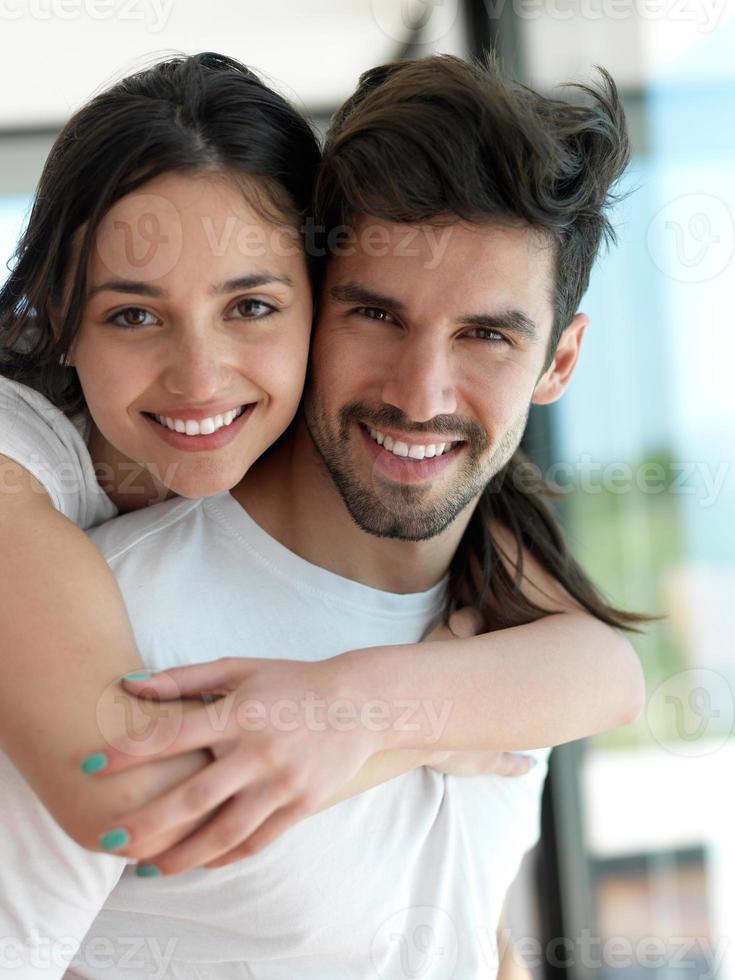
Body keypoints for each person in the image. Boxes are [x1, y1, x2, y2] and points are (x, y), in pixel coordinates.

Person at [0, 52, 648, 978]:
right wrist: (386, 728)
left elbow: (463, 923)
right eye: (377, 315)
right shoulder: (97, 636)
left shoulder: (496, 628)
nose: (420, 395)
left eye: (486, 336)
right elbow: (118, 816)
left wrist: (375, 711)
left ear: (558, 363)